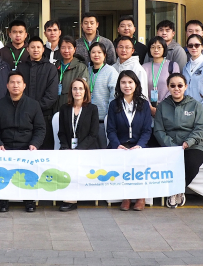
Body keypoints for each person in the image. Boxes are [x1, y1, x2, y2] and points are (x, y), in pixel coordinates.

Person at [0, 71, 46, 213]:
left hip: (26, 146)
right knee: (2, 171)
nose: (15, 85)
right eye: (12, 82)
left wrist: (35, 144)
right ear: (7, 85)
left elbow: (40, 128)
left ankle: (29, 200)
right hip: (5, 146)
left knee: (28, 172)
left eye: (18, 82)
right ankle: (3, 200)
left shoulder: (33, 105)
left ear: (24, 85)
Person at [153, 73, 203, 208]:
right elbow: (158, 130)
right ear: (168, 87)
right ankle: (175, 191)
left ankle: (177, 190)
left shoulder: (195, 105)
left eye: (180, 85)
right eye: (172, 86)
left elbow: (201, 128)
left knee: (191, 163)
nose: (176, 88)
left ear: (186, 87)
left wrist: (188, 142)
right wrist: (171, 146)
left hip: (192, 146)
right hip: (169, 147)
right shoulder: (162, 106)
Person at [105, 71, 152, 210]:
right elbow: (111, 130)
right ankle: (126, 197)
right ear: (119, 85)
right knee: (121, 161)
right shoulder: (114, 104)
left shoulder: (144, 104)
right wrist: (117, 145)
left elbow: (147, 130)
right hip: (120, 144)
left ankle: (140, 197)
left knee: (141, 161)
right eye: (123, 82)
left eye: (130, 82)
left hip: (139, 144)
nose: (127, 86)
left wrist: (140, 145)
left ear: (136, 84)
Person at [57, 78, 100, 212]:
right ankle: (70, 200)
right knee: (67, 163)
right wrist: (67, 148)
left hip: (86, 149)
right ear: (71, 91)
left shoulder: (92, 109)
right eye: (75, 88)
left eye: (81, 88)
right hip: (68, 149)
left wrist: (78, 149)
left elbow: (93, 134)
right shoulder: (64, 108)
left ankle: (75, 198)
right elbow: (61, 132)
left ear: (85, 91)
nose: (78, 91)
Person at [19, 36, 58, 149]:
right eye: (32, 47)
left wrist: (34, 109)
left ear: (43, 49)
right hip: (23, 116)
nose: (35, 50)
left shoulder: (50, 68)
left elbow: (52, 95)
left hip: (44, 116)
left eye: (38, 47)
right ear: (28, 49)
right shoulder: (21, 68)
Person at [86, 42, 119, 149]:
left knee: (104, 149)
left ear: (105, 55)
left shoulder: (111, 71)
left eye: (99, 52)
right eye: (93, 52)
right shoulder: (87, 71)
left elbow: (114, 95)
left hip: (103, 120)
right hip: (88, 120)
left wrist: (109, 116)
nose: (96, 55)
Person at [143, 36, 181, 117]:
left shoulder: (173, 65)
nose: (156, 50)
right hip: (148, 109)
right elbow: (141, 89)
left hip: (169, 107)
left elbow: (175, 87)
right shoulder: (144, 67)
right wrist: (149, 107)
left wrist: (162, 105)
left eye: (159, 47)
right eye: (153, 47)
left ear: (164, 49)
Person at [55, 36, 89, 114]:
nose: (66, 51)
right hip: (56, 107)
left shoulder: (81, 67)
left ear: (75, 49)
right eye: (63, 47)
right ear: (59, 49)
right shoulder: (55, 66)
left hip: (73, 107)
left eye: (69, 48)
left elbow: (84, 89)